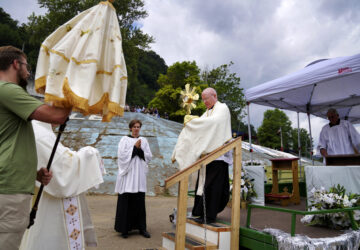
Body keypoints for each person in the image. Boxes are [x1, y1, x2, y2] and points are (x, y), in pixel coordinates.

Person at [0, 46, 71, 250]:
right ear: (15, 64)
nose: (29, 72)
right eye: (26, 66)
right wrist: (74, 87)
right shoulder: (7, 89)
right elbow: (57, 116)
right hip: (8, 192)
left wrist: (32, 174)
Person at [19, 120, 105, 250]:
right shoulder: (41, 134)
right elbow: (64, 171)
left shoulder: (37, 129)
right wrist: (90, 154)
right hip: (49, 202)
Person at [172, 87, 232, 224]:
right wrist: (192, 122)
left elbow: (214, 123)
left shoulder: (222, 108)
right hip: (207, 157)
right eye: (203, 99)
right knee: (202, 185)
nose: (204, 102)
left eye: (206, 99)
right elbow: (201, 126)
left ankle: (210, 216)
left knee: (213, 187)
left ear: (214, 96)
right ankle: (201, 213)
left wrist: (194, 121)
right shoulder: (207, 112)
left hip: (218, 156)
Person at [114, 119, 152, 238]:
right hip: (128, 175)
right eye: (134, 127)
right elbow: (121, 156)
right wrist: (134, 148)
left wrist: (139, 149)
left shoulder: (144, 141)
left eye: (138, 127)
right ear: (130, 128)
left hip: (139, 175)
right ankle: (125, 229)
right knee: (126, 201)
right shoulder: (124, 140)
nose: (136, 129)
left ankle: (142, 228)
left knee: (139, 202)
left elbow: (149, 156)